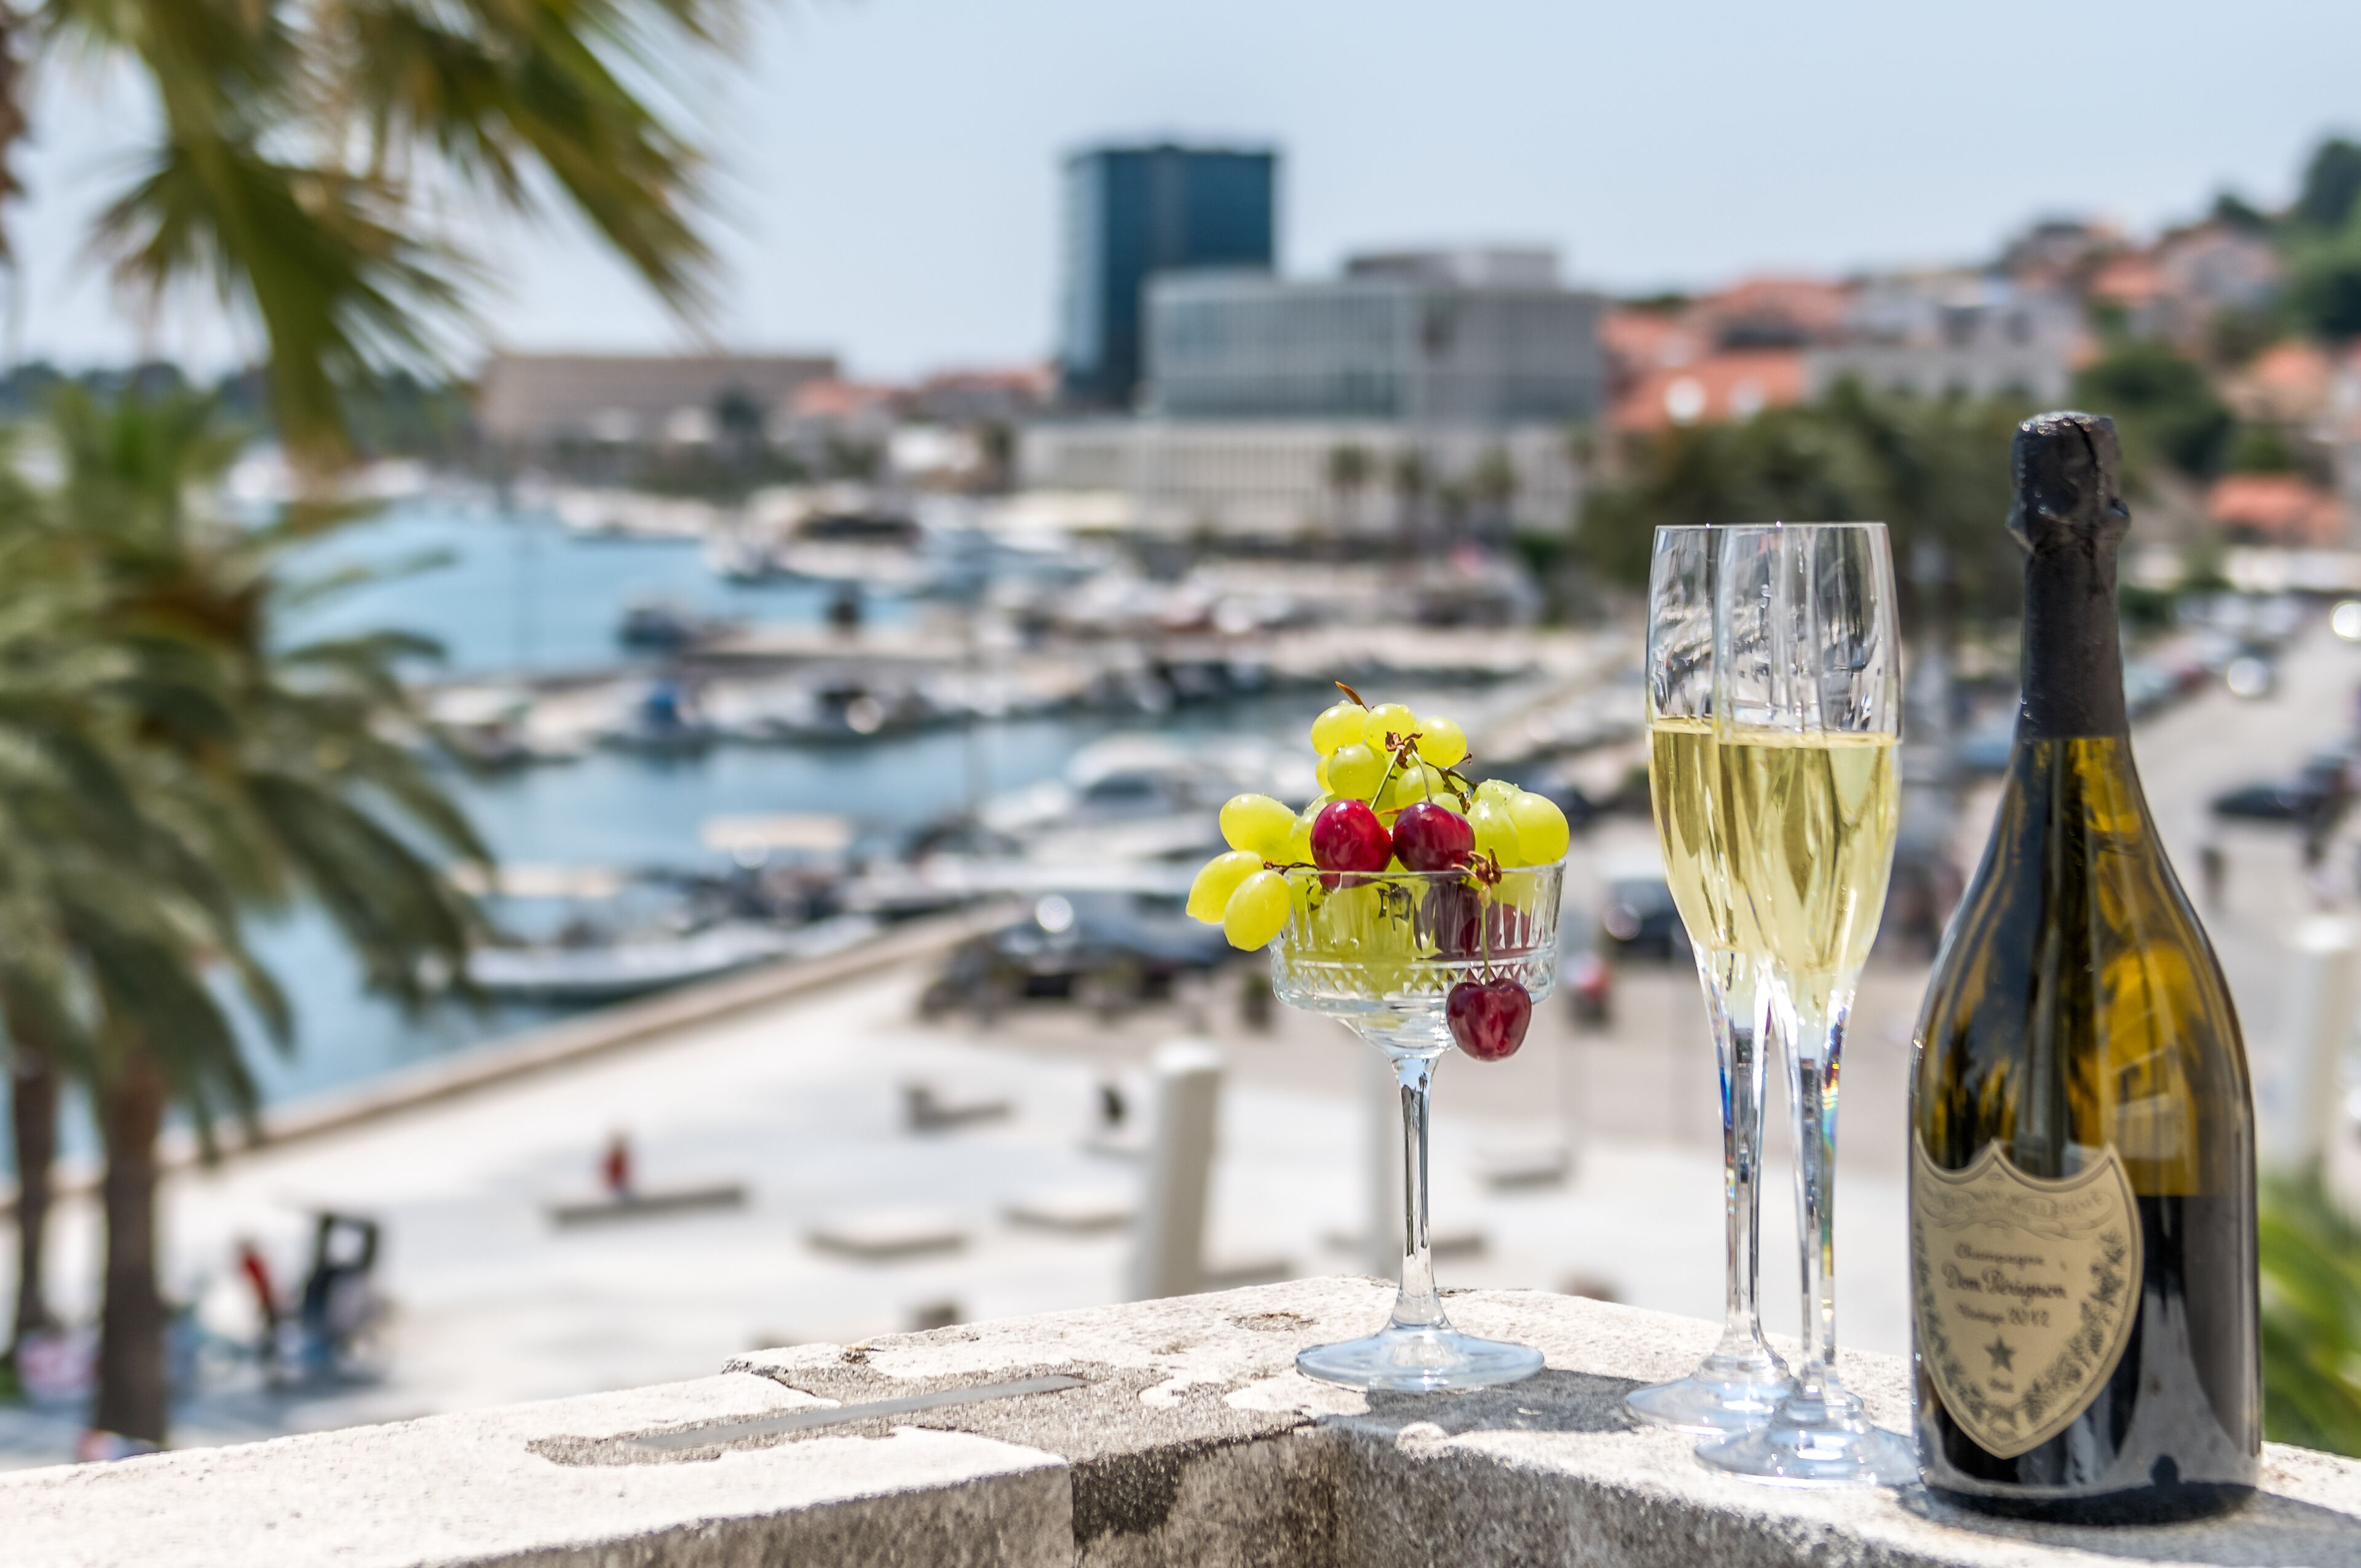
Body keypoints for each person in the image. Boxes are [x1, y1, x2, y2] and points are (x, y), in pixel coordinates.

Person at [602, 1130, 635, 1201]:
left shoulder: (621, 1157)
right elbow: (611, 1174)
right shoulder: (614, 1158)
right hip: (617, 1187)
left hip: (621, 1185)